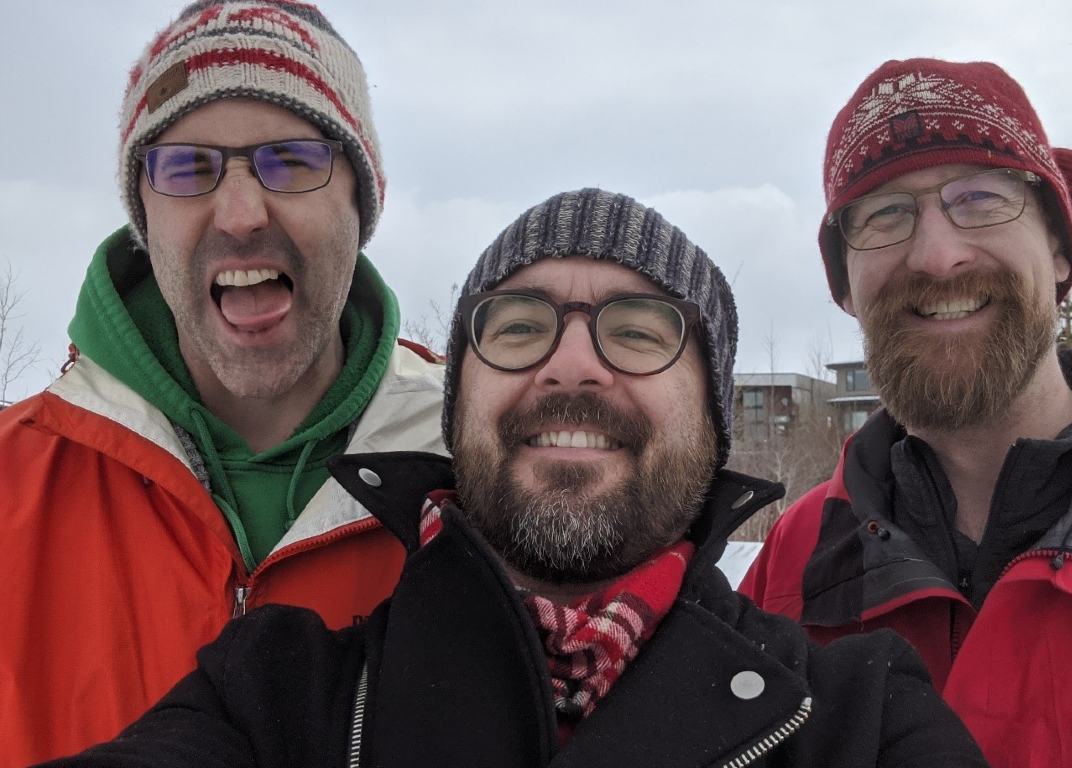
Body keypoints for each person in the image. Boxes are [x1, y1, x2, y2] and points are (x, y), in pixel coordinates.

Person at [41, 188, 988, 768]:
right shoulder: (277, 696)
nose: (572, 366)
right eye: (520, 326)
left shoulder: (856, 720)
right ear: (457, 412)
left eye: (640, 331)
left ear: (711, 418)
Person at [0, 0, 445, 764]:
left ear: (360, 200)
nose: (241, 214)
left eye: (290, 159)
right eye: (187, 167)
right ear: (145, 213)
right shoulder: (12, 485)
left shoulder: (483, 481)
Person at [740, 57, 1072, 768]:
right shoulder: (791, 565)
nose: (937, 255)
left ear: (1057, 250)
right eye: (886, 213)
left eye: (981, 197)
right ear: (845, 288)